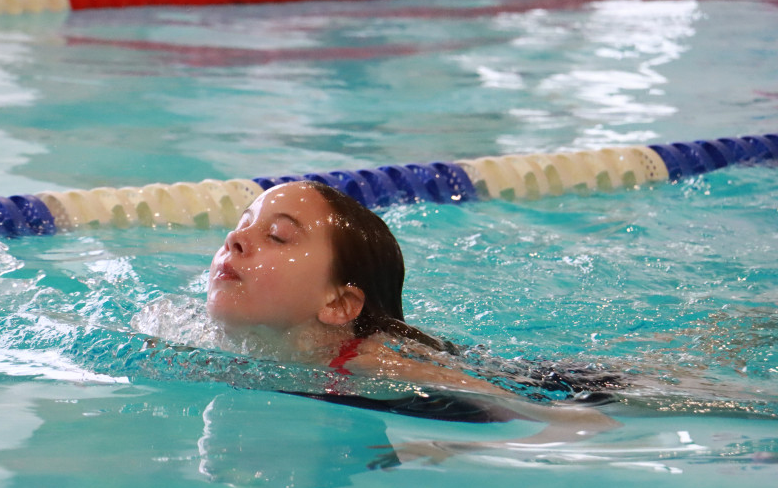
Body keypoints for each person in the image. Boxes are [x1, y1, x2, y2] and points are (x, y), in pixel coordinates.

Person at [205, 179, 621, 461]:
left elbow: (581, 422)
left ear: (340, 304)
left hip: (577, 387)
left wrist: (450, 449)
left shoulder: (376, 365)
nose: (234, 239)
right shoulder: (187, 329)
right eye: (242, 226)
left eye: (277, 236)